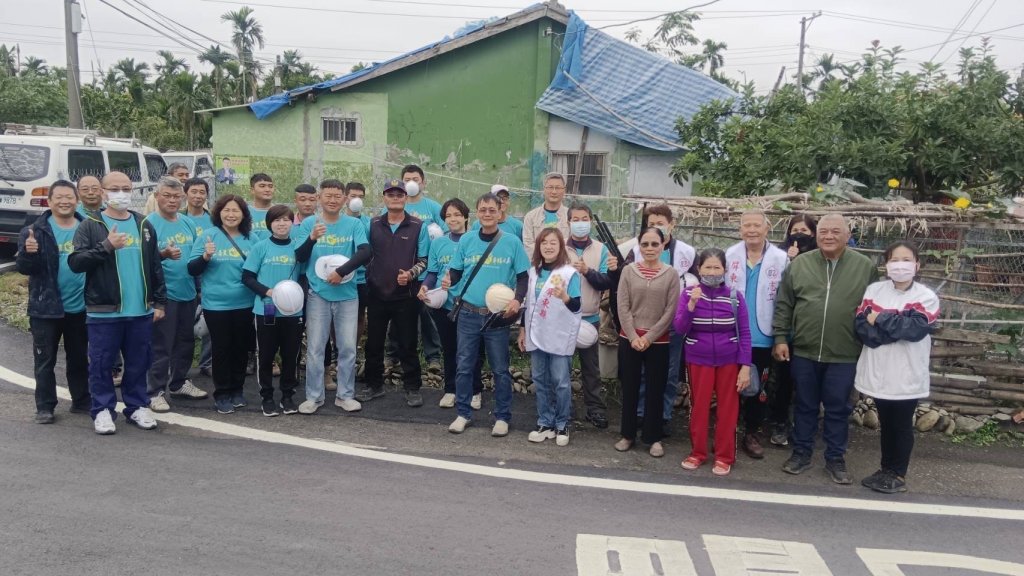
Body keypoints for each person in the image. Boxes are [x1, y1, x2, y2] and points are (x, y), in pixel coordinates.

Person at [773, 213, 878, 484]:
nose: (828, 236)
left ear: (847, 234)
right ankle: (801, 453)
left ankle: (835, 458)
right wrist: (781, 338)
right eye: (823, 232)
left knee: (838, 408)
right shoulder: (800, 264)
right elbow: (785, 303)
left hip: (844, 352)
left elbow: (874, 307)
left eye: (835, 231)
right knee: (805, 405)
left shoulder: (864, 266)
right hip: (805, 350)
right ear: (816, 235)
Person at [69, 171, 166, 435]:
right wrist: (106, 246)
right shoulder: (90, 224)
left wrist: (159, 302)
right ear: (103, 192)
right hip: (104, 311)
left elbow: (155, 266)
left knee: (139, 361)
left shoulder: (144, 224)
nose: (121, 194)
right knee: (101, 363)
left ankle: (136, 406)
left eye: (126, 188)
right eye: (114, 189)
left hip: (141, 310)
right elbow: (76, 263)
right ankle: (102, 409)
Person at [855, 241, 939, 494]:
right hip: (879, 370)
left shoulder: (925, 296)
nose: (900, 264)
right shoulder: (874, 290)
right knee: (886, 423)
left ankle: (898, 473)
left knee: (901, 425)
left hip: (906, 373)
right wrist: (890, 328)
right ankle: (885, 469)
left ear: (917, 264)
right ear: (886, 264)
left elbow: (914, 330)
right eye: (894, 259)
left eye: (906, 259)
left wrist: (880, 318)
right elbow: (861, 326)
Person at [444, 192, 530, 436]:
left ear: (500, 211)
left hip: (497, 317)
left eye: (492, 210)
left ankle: (502, 417)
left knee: (500, 368)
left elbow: (524, 276)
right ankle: (463, 414)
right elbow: (457, 272)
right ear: (477, 212)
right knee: (464, 366)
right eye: (483, 210)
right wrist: (449, 280)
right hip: (469, 313)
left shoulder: (511, 242)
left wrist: (518, 299)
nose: (487, 214)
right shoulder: (467, 240)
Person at [17, 179, 90, 423]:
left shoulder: (87, 227)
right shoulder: (35, 230)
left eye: (69, 197)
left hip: (80, 307)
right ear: (50, 201)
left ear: (76, 200)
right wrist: (29, 253)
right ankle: (45, 407)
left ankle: (81, 401)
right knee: (45, 360)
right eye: (58, 197)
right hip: (45, 308)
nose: (64, 201)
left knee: (79, 358)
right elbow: (25, 269)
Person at [293, 182, 370, 414]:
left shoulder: (354, 224)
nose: (333, 200)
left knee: (347, 347)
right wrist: (312, 239)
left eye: (338, 196)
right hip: (318, 294)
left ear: (345, 199)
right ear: (319, 198)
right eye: (328, 196)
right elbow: (299, 256)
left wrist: (341, 272)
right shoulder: (309, 223)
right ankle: (313, 397)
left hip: (347, 295)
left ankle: (345, 395)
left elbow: (366, 252)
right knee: (316, 347)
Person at [676, 248, 752, 476]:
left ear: (725, 270)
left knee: (728, 410)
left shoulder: (734, 296)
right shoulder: (689, 294)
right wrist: (691, 307)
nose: (712, 272)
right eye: (707, 267)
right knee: (699, 407)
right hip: (698, 360)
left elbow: (745, 333)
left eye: (716, 267)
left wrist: (745, 367)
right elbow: (679, 328)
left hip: (729, 361)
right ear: (698, 270)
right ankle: (698, 453)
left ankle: (724, 456)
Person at [357, 179, 431, 406]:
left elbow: (424, 260)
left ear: (406, 198)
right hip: (377, 294)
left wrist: (410, 274)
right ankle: (374, 385)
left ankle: (412, 387)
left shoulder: (419, 226)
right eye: (391, 194)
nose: (396, 198)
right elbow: (365, 254)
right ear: (384, 198)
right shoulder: (373, 224)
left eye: (400, 194)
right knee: (374, 344)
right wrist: (371, 275)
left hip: (406, 297)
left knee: (407, 343)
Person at [625, 204, 695, 436]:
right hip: (638, 327)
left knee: (669, 373)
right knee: (642, 375)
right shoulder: (636, 251)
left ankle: (662, 417)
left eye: (660, 223)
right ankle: (640, 414)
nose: (655, 229)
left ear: (671, 225)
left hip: (671, 324)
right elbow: (623, 286)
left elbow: (696, 280)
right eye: (651, 224)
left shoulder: (686, 252)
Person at [724, 210, 789, 460]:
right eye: (746, 225)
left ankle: (752, 433)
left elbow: (785, 301)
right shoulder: (730, 255)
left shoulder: (780, 259)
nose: (751, 230)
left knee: (757, 387)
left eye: (756, 225)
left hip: (763, 334)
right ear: (740, 229)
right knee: (730, 386)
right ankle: (727, 432)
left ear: (767, 227)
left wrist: (781, 336)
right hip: (731, 333)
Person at [614, 227, 680, 458]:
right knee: (630, 388)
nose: (650, 248)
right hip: (629, 339)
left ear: (663, 246)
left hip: (658, 341)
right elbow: (622, 305)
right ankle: (627, 435)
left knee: (656, 389)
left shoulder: (671, 274)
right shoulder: (629, 271)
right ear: (639, 246)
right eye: (645, 244)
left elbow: (671, 310)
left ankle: (653, 438)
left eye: (655, 244)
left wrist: (649, 337)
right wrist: (633, 336)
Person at [187, 194, 255, 415]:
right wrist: (205, 257)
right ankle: (222, 393)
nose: (231, 215)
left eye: (236, 211)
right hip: (216, 304)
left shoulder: (251, 238)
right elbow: (192, 269)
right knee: (222, 348)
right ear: (219, 213)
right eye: (227, 210)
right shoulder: (209, 236)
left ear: (243, 214)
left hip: (245, 302)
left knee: (241, 348)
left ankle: (237, 390)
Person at [145, 177, 206, 413]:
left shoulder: (188, 223)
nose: (172, 200)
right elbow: (144, 261)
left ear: (182, 197)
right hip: (164, 296)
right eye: (167, 196)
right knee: (162, 345)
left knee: (185, 342)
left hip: (188, 293)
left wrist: (199, 288)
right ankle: (155, 391)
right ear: (157, 196)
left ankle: (179, 382)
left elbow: (195, 257)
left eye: (176, 196)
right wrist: (163, 254)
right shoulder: (149, 224)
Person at [418, 198, 484, 409]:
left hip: (470, 305)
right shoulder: (438, 243)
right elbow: (432, 272)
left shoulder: (476, 240)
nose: (452, 219)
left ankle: (475, 390)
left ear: (466, 217)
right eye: (448, 215)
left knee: (471, 350)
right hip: (444, 305)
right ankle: (450, 389)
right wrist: (426, 287)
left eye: (457, 214)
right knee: (449, 348)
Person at [518, 228, 582, 446]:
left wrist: (564, 297)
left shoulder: (567, 273)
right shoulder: (533, 272)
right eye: (544, 242)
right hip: (536, 333)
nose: (548, 246)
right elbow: (529, 305)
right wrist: (523, 329)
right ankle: (545, 421)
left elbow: (577, 305)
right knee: (540, 380)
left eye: (553, 242)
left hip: (558, 334)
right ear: (538, 246)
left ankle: (562, 423)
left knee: (561, 382)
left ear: (560, 246)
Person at [242, 205, 303, 417]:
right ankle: (267, 397)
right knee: (266, 354)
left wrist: (298, 296)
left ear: (292, 222)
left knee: (290, 355)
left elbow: (304, 277)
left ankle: (288, 395)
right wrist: (267, 292)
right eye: (277, 220)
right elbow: (247, 277)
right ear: (270, 224)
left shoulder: (298, 247)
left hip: (292, 312)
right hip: (267, 308)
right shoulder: (261, 247)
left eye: (286, 220)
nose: (281, 224)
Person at [384, 164, 443, 372]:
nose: (411, 183)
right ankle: (392, 356)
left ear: (423, 182)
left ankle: (433, 357)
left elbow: (445, 234)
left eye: (415, 179)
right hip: (399, 274)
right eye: (407, 179)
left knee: (426, 316)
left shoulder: (434, 208)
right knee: (396, 318)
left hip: (425, 273)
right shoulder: (394, 206)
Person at [767, 214, 818, 446]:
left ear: (813, 234)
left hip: (811, 331)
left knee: (807, 383)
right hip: (786, 330)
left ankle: (805, 427)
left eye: (805, 231)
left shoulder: (820, 259)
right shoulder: (779, 255)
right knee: (783, 381)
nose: (799, 234)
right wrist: (790, 261)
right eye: (795, 230)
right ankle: (779, 423)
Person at [565, 202, 617, 429]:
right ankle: (564, 409)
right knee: (561, 366)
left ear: (590, 221)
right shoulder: (558, 247)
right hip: (563, 318)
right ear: (568, 222)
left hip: (589, 318)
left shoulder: (601, 249)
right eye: (575, 219)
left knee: (591, 369)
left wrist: (587, 271)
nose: (580, 223)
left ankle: (595, 409)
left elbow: (606, 282)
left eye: (584, 218)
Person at [183, 177, 214, 377]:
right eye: (194, 191)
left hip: (207, 278)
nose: (198, 196)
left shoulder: (213, 220)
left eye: (202, 192)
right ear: (186, 194)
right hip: (183, 279)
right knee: (184, 326)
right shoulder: (178, 218)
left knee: (209, 325)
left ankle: (207, 363)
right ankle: (181, 367)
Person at [345, 182, 372, 346]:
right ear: (345, 197)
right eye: (353, 196)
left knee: (360, 314)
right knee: (338, 315)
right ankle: (337, 352)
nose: (357, 200)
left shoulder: (369, 223)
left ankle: (353, 350)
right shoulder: (337, 220)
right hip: (341, 276)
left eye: (361, 197)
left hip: (363, 277)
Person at [522, 172, 570, 254]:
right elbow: (528, 245)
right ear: (544, 189)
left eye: (558, 188)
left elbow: (572, 244)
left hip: (563, 263)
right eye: (550, 187)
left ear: (564, 190)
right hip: (538, 264)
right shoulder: (531, 217)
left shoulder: (571, 215)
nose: (554, 192)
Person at [248, 173, 275, 240]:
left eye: (270, 186)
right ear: (252, 190)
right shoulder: (244, 212)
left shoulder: (280, 212)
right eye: (262, 186)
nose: (267, 190)